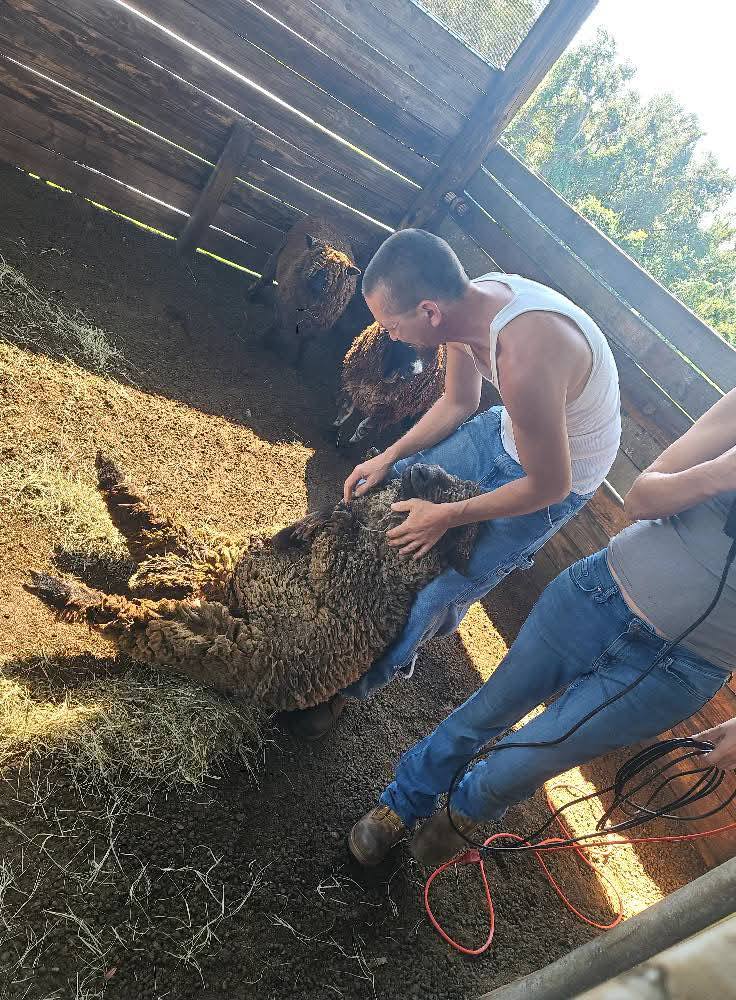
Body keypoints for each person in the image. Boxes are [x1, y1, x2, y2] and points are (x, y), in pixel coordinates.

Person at [348, 388, 736, 867]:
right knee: (487, 710)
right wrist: (722, 474)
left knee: (531, 759)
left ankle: (465, 811)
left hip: (681, 670)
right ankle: (403, 801)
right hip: (597, 597)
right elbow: (642, 497)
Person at [286, 229, 621, 740]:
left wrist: (446, 515)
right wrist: (390, 456)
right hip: (505, 431)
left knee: (436, 590)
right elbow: (460, 401)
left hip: (560, 475)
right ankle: (325, 618)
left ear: (428, 312)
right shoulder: (466, 308)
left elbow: (549, 485)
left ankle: (346, 689)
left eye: (390, 326)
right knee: (387, 501)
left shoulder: (526, 355)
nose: (389, 337)